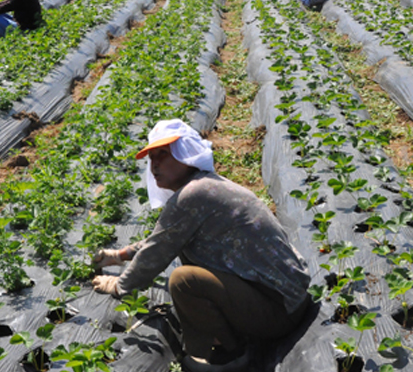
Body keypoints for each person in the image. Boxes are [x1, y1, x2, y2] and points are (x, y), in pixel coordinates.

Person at [92, 119, 311, 372]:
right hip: (287, 300)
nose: (155, 165)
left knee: (184, 281)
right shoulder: (205, 186)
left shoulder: (193, 195)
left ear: (185, 154)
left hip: (280, 312)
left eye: (163, 155)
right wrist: (118, 255)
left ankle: (228, 354)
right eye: (151, 158)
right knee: (190, 265)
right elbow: (164, 238)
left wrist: (119, 285)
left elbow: (157, 251)